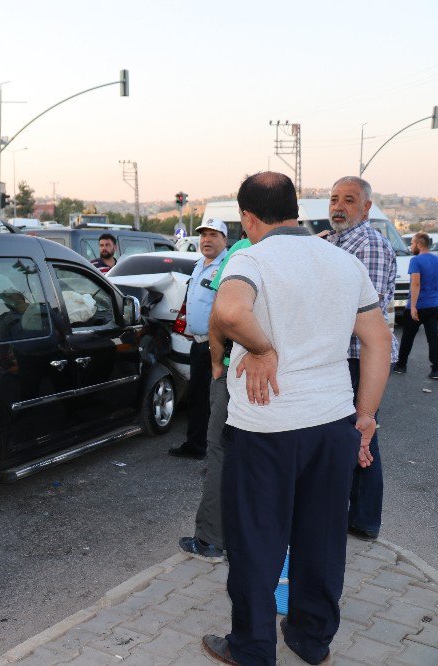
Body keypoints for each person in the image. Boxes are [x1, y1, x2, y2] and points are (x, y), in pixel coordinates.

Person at [201, 172, 392, 666]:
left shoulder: (250, 257)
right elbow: (379, 340)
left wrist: (262, 347)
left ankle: (252, 648)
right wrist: (366, 415)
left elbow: (229, 307)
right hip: (333, 423)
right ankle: (311, 641)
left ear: (247, 217)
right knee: (322, 538)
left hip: (266, 426)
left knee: (256, 542)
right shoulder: (342, 261)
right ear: (294, 209)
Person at [323, 176, 397, 541]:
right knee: (347, 437)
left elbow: (367, 313)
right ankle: (352, 513)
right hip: (342, 356)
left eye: (349, 200)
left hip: (360, 357)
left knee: (362, 434)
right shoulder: (335, 241)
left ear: (366, 207)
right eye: (334, 199)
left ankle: (366, 519)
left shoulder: (368, 245)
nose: (338, 206)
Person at [178, 232, 250, 562]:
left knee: (220, 448)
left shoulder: (240, 251)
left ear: (248, 218)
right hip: (278, 375)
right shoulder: (309, 251)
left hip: (235, 368)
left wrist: (216, 359)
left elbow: (223, 313)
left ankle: (210, 540)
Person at [168, 219, 228, 460]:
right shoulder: (199, 265)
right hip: (198, 343)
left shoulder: (227, 266)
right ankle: (196, 444)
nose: (207, 240)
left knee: (213, 400)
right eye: (204, 235)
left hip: (216, 344)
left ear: (225, 240)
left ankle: (209, 448)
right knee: (197, 397)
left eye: (214, 235)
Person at [394, 232, 438, 379]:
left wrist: (413, 306)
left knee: (407, 337)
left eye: (412, 243)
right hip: (434, 305)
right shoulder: (436, 260)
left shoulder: (415, 260)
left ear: (419, 244)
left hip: (418, 306)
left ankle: (401, 365)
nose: (411, 246)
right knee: (433, 338)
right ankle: (436, 370)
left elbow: (416, 283)